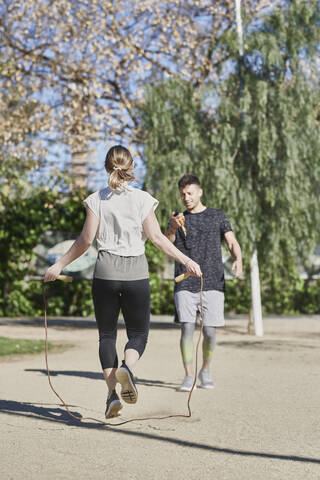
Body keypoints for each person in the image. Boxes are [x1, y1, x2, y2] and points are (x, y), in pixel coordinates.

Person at [44, 146, 201, 418]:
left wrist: (58, 264)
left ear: (107, 167)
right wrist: (186, 260)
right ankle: (127, 367)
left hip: (105, 272)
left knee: (106, 336)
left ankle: (111, 395)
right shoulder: (142, 199)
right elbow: (157, 238)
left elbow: (84, 242)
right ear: (131, 167)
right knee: (138, 335)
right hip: (135, 273)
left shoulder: (97, 199)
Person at [165, 174, 242, 392]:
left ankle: (205, 370)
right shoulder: (178, 218)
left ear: (200, 192)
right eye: (182, 194)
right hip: (184, 280)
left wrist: (239, 259)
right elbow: (166, 245)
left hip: (213, 281)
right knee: (187, 329)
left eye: (189, 193)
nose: (185, 198)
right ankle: (189, 375)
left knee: (209, 332)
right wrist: (172, 227)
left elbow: (231, 241)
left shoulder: (218, 216)